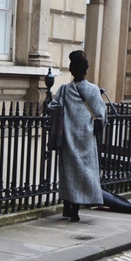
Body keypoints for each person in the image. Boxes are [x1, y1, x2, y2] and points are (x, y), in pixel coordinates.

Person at [57, 50, 107, 222]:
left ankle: (67, 205)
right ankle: (75, 209)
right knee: (83, 173)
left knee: (68, 173)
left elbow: (53, 107)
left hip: (68, 138)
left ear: (72, 70)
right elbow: (101, 116)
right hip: (86, 139)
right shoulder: (93, 90)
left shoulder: (64, 90)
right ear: (86, 70)